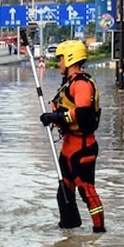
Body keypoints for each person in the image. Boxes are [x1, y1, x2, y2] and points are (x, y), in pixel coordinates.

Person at [40, 40, 106, 233]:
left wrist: (56, 116)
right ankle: (69, 228)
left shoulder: (82, 84)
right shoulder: (68, 84)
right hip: (68, 147)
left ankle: (99, 230)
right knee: (64, 192)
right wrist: (54, 117)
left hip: (82, 147)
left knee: (86, 191)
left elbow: (83, 113)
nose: (59, 63)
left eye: (60, 59)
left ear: (70, 58)